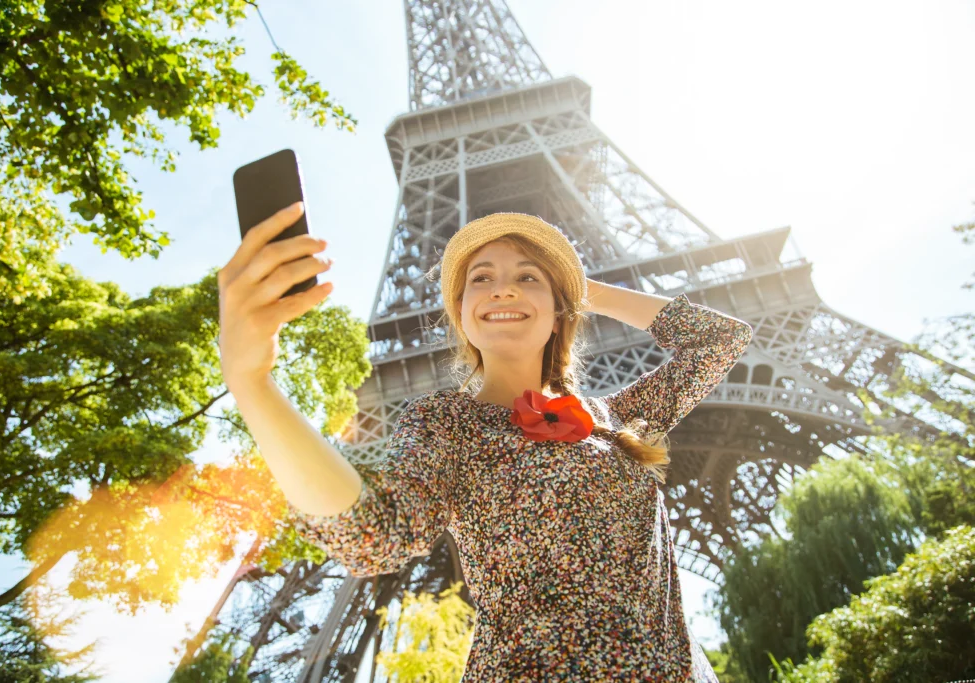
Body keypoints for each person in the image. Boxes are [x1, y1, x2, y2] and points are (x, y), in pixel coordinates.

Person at [218, 203, 754, 681]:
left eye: (527, 276)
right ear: (461, 315)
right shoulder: (445, 423)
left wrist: (581, 289)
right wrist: (252, 384)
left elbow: (719, 340)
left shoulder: (613, 417)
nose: (503, 288)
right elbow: (373, 534)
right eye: (482, 278)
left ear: (560, 312)